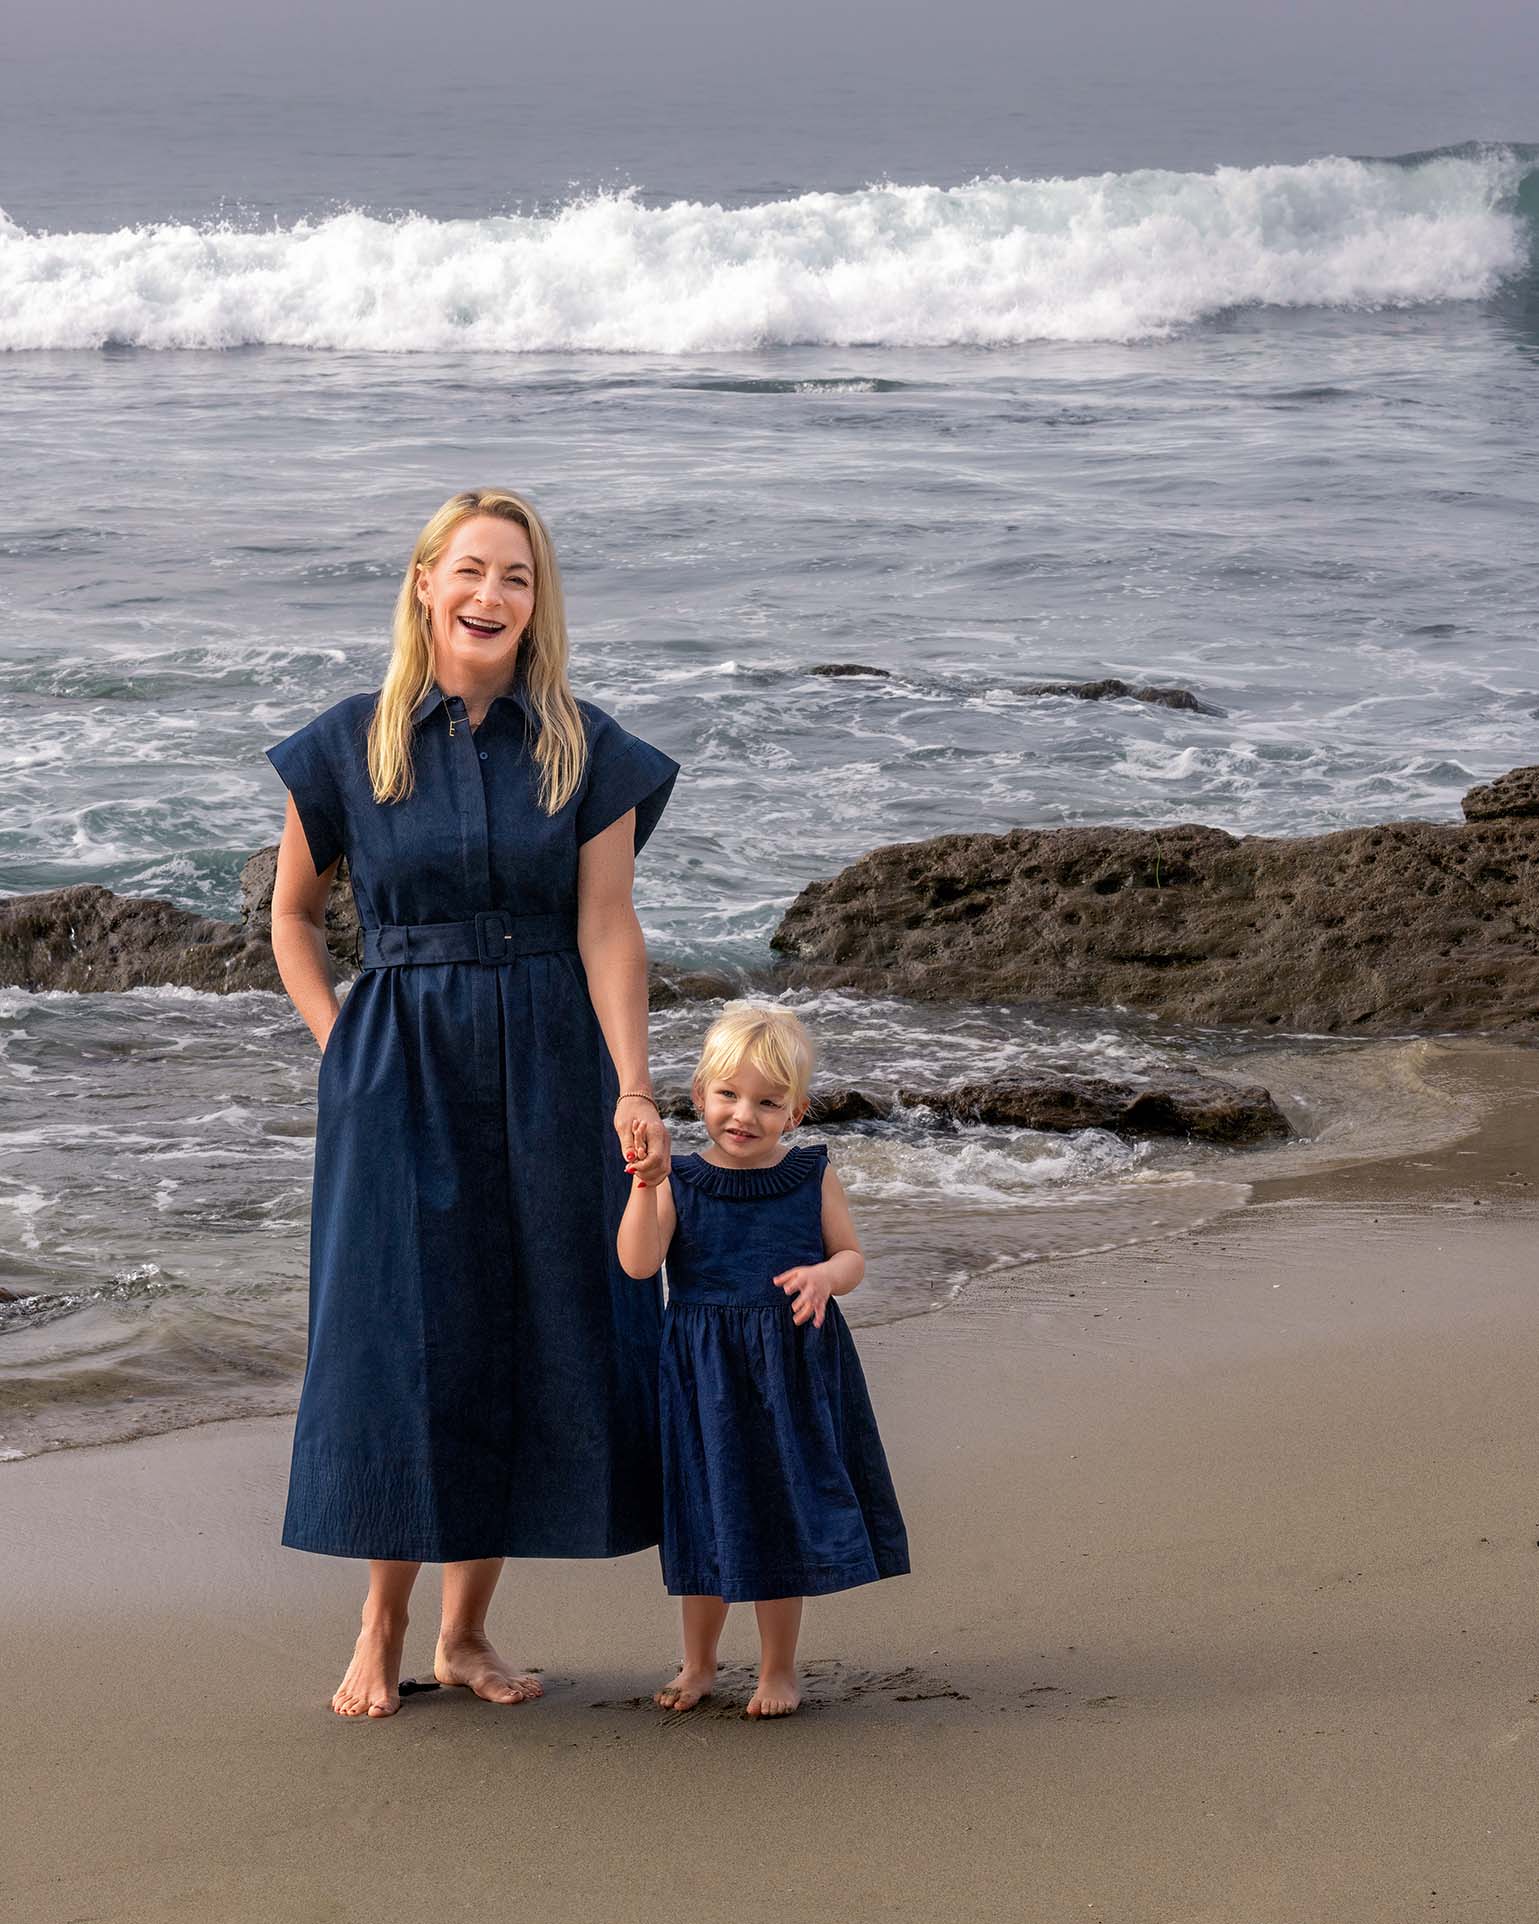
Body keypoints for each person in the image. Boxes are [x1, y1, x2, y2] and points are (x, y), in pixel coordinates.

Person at [266, 487, 679, 1719]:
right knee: (403, 1333)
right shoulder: (351, 740)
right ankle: (379, 1623)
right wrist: (343, 1048)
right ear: (425, 585)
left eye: (517, 576)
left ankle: (466, 1633)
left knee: (526, 1325)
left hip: (552, 1056)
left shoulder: (582, 743)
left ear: (535, 602)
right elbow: (291, 917)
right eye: (473, 570)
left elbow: (607, 923)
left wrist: (635, 1083)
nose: (493, 594)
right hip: (400, 1064)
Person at [616, 1003, 909, 1718]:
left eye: (767, 1102)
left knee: (777, 1510)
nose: (743, 1114)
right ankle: (697, 1664)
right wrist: (644, 1182)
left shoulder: (809, 1177)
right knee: (704, 1511)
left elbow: (851, 1257)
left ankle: (778, 1669)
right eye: (728, 1095)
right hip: (702, 1376)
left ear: (796, 1113)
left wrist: (824, 1278)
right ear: (697, 1095)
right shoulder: (678, 1180)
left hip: (789, 1372)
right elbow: (636, 1262)